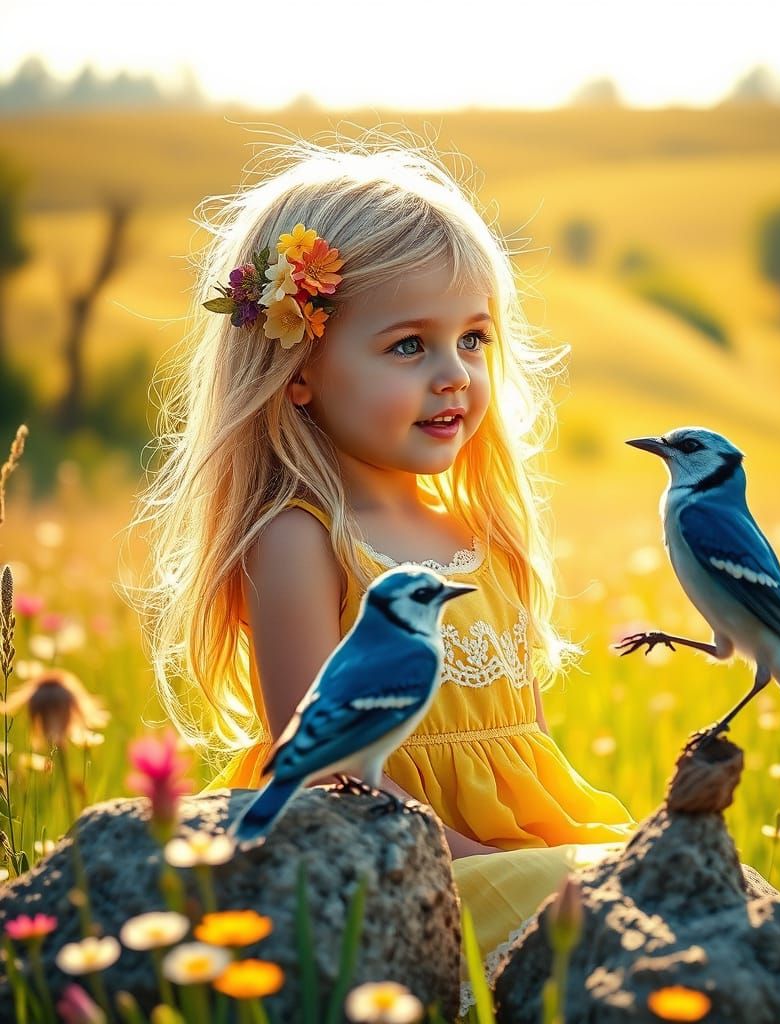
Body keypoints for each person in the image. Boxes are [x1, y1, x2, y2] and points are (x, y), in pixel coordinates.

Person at [130, 129, 637, 1016]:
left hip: (522, 851)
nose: (453, 376)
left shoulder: (484, 533)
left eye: (474, 340)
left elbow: (535, 752)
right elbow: (324, 766)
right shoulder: (302, 538)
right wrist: (485, 866)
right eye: (409, 346)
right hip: (389, 857)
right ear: (298, 368)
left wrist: (563, 860)